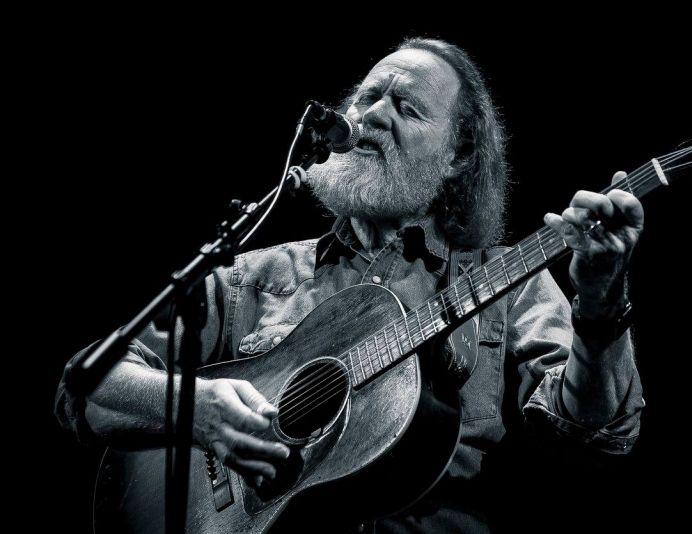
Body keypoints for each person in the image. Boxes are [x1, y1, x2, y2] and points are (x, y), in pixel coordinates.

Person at [55, 37, 645, 532]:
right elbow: (88, 387)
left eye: (407, 109)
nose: (374, 115)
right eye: (368, 98)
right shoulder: (251, 278)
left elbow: (598, 433)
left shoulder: (510, 283)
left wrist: (601, 301)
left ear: (459, 155)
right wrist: (198, 409)